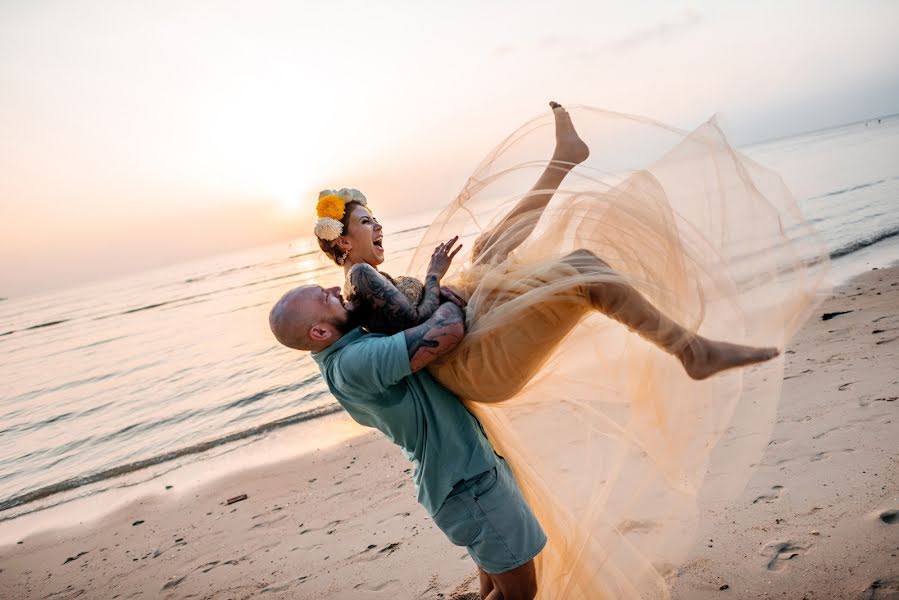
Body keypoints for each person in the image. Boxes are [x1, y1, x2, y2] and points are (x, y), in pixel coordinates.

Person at [294, 104, 830, 597]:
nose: (377, 225)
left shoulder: (364, 279)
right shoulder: (360, 274)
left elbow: (412, 319)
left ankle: (563, 160)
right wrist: (438, 278)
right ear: (342, 240)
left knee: (489, 249)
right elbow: (419, 324)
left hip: (458, 359)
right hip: (466, 363)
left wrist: (447, 286)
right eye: (366, 221)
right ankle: (691, 351)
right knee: (580, 269)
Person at [269, 285, 543, 600]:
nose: (334, 289)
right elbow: (447, 331)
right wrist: (444, 293)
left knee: (496, 584)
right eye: (325, 297)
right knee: (520, 593)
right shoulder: (354, 361)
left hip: (462, 479)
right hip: (468, 485)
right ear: (319, 331)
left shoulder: (348, 351)